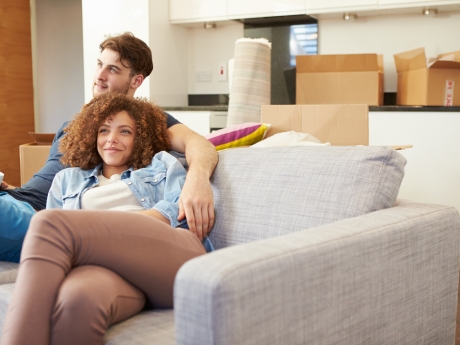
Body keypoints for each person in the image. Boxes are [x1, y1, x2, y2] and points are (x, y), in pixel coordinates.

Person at [1, 92, 213, 345]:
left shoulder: (161, 165)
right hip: (107, 270)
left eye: (124, 132)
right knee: (76, 300)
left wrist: (97, 232)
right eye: (103, 130)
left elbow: (175, 215)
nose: (111, 139)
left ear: (140, 138)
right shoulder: (67, 180)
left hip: (171, 258)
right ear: (92, 136)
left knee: (48, 223)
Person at [0, 32, 217, 262]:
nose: (100, 76)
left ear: (136, 81)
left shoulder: (145, 122)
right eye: (100, 64)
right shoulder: (73, 127)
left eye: (112, 69)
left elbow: (198, 143)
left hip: (43, 221)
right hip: (14, 201)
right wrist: (10, 188)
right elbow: (46, 186)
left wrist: (198, 180)